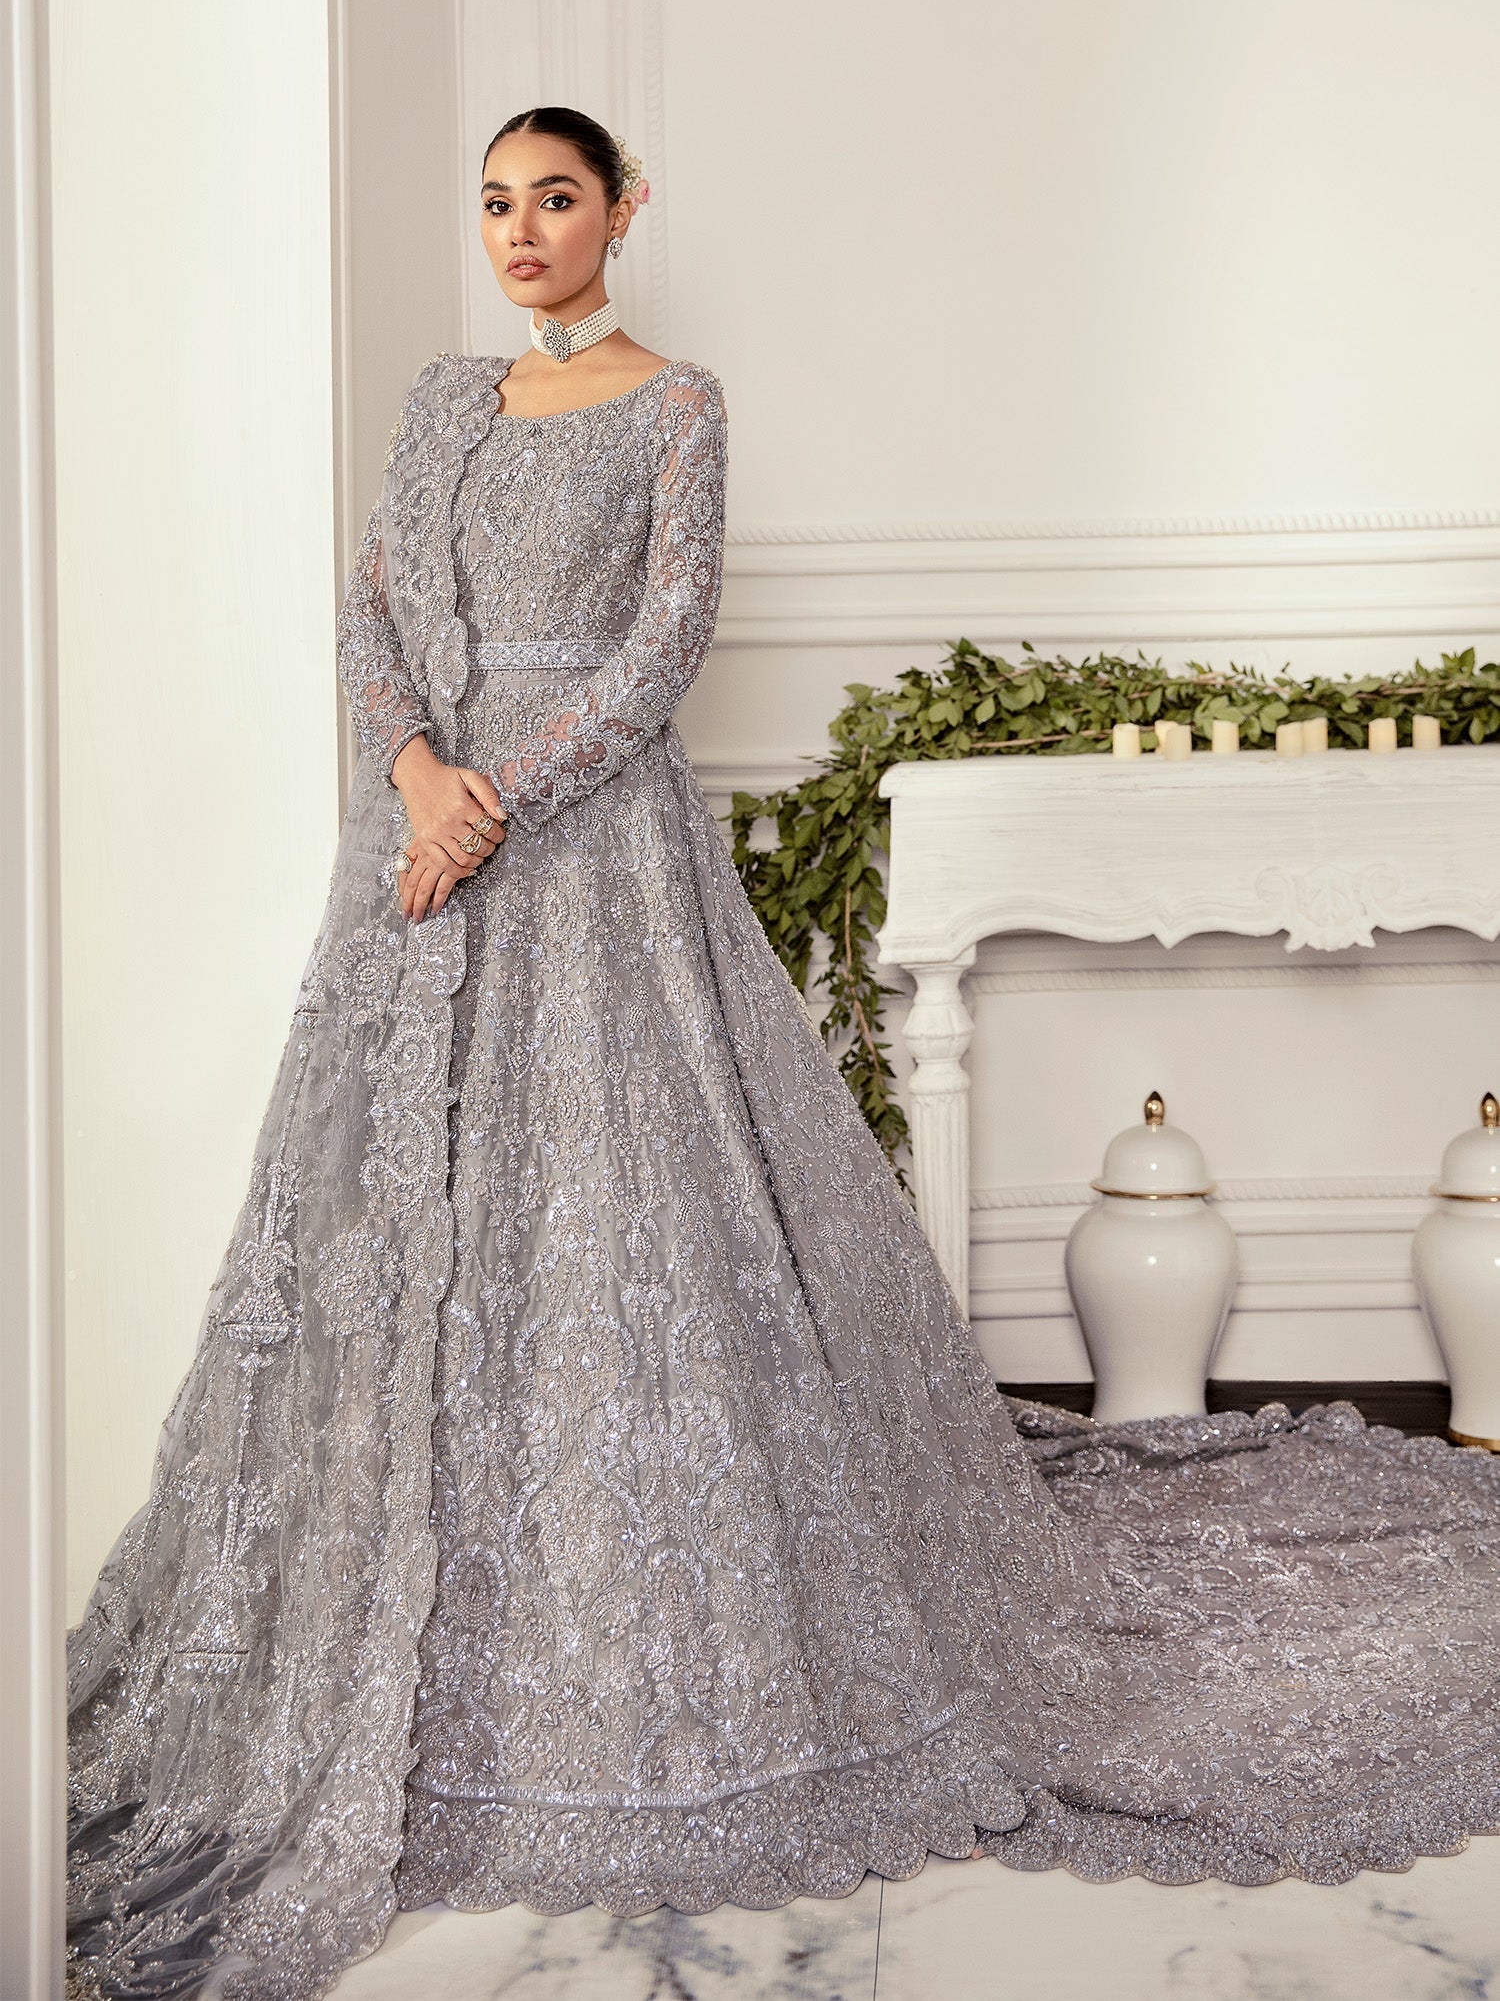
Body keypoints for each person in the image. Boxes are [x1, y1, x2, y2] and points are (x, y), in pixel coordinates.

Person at [65, 105, 1500, 2001]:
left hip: (589, 855)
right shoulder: (439, 404)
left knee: (630, 1234)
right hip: (414, 861)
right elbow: (374, 609)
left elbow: (665, 651)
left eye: (556, 199)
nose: (521, 231)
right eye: (495, 205)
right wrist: (415, 778)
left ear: (623, 210)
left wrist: (496, 798)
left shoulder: (679, 406)